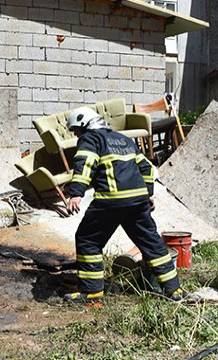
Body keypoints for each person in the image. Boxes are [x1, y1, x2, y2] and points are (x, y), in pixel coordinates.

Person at [61, 107, 185, 304]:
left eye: (77, 130)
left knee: (88, 240)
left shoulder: (91, 139)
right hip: (137, 201)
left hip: (111, 200)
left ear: (85, 125)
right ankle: (174, 289)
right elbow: (146, 167)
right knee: (151, 243)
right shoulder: (124, 140)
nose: (77, 135)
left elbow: (85, 164)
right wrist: (148, 194)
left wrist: (76, 193)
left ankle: (92, 292)